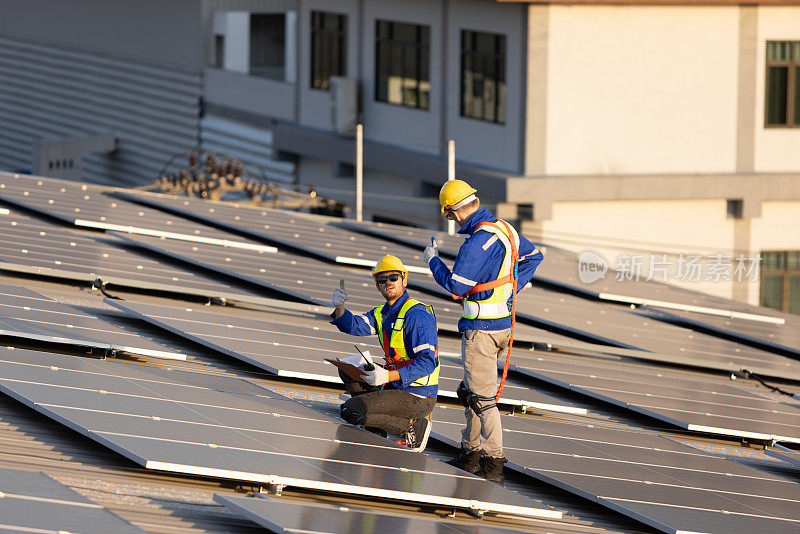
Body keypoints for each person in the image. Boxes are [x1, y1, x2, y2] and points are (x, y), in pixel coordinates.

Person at [424, 179, 543, 485]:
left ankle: (493, 461)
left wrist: (432, 262)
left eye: (449, 215)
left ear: (455, 212)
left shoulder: (476, 243)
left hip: (481, 332)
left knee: (482, 399)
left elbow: (456, 286)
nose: (451, 221)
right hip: (503, 325)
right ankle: (469, 452)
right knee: (472, 392)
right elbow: (532, 257)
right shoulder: (505, 228)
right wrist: (511, 289)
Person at [330, 254, 439, 452]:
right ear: (377, 285)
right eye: (382, 279)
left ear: (404, 280)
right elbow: (355, 326)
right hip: (393, 384)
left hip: (416, 396)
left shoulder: (417, 315)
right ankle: (375, 425)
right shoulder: (382, 312)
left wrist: (387, 375)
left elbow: (427, 363)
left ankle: (413, 425)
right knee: (347, 368)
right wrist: (340, 308)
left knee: (350, 410)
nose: (388, 282)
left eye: (393, 278)